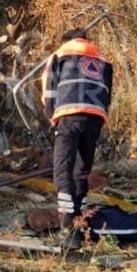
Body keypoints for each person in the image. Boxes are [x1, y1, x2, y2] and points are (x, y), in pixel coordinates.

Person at [41, 29, 114, 249]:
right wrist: (101, 115)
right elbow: (108, 91)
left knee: (63, 170)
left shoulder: (61, 52)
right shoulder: (102, 58)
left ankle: (66, 228)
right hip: (95, 117)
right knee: (81, 171)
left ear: (67, 39)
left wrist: (52, 115)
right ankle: (79, 222)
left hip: (69, 114)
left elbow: (48, 87)